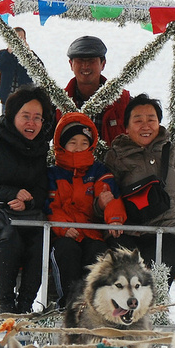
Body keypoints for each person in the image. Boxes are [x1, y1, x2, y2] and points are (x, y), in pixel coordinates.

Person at [102, 93, 175, 286]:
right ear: (126, 127)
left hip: (168, 233)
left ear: (159, 123)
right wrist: (102, 205)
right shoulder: (116, 156)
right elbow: (106, 196)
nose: (145, 126)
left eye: (151, 120)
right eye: (138, 120)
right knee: (124, 282)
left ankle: (154, 314)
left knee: (153, 278)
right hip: (129, 233)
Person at [0, 85, 54, 314]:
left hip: (27, 220)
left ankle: (25, 305)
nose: (31, 123)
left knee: (40, 243)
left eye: (37, 118)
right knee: (10, 238)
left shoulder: (39, 149)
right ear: (12, 116)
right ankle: (6, 305)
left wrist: (29, 201)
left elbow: (42, 189)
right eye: (25, 116)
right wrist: (10, 194)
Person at [46, 112, 124, 307]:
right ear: (61, 144)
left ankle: (92, 305)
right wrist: (62, 227)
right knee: (66, 251)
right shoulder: (52, 174)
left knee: (97, 252)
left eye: (83, 142)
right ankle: (68, 304)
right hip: (62, 234)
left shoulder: (98, 171)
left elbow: (108, 195)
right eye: (72, 142)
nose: (78, 147)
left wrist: (114, 218)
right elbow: (48, 206)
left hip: (91, 232)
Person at [60, 36, 131, 145]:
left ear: (103, 64)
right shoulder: (58, 103)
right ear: (71, 64)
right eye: (80, 60)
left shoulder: (123, 101)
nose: (85, 65)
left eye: (91, 60)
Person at [0, 27, 39, 114]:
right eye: (15, 38)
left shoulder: (30, 55)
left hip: (24, 98)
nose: (18, 42)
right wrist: (8, 53)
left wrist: (29, 54)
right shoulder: (3, 54)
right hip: (7, 97)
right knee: (6, 122)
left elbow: (39, 69)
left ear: (25, 40)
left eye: (21, 39)